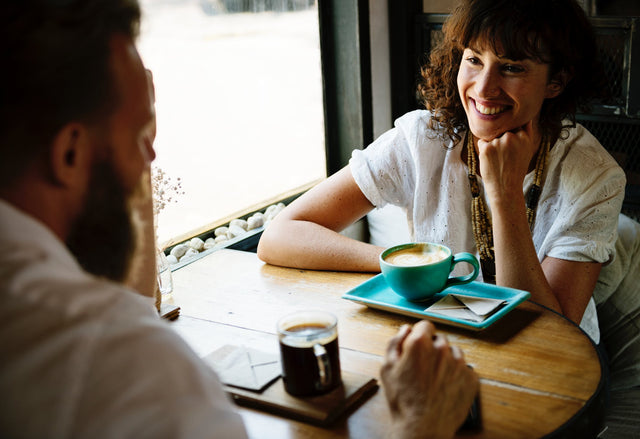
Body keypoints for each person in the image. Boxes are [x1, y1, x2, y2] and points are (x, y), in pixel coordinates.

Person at [0, 1, 478, 438]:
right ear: (69, 154)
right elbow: (126, 314)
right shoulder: (132, 366)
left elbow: (127, 303)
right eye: (140, 138)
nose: (151, 160)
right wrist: (420, 424)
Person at [257, 0, 626, 344]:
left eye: (512, 67)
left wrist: (505, 193)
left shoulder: (596, 177)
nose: (484, 88)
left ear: (556, 82)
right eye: (474, 59)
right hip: (444, 342)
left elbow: (548, 335)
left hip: (558, 367)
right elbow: (279, 237)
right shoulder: (422, 139)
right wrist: (407, 268)